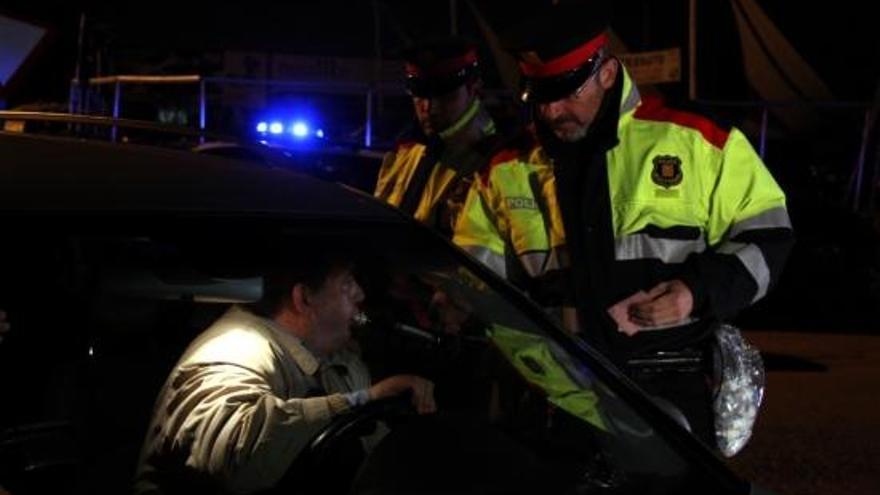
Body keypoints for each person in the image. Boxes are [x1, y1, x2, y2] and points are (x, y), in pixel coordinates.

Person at [460, 0, 794, 445]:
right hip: (556, 399)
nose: (553, 111)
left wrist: (696, 292)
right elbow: (471, 280)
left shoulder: (699, 140)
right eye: (541, 97)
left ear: (607, 73)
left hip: (674, 388)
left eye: (567, 93)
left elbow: (769, 237)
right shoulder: (505, 167)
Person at [134, 248, 435, 494]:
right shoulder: (234, 351)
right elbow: (235, 456)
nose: (359, 294)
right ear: (303, 298)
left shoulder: (339, 362)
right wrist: (362, 399)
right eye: (346, 283)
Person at [374, 36, 502, 244]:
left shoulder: (494, 163)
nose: (428, 108)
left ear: (473, 89)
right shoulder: (404, 155)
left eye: (443, 96)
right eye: (419, 96)